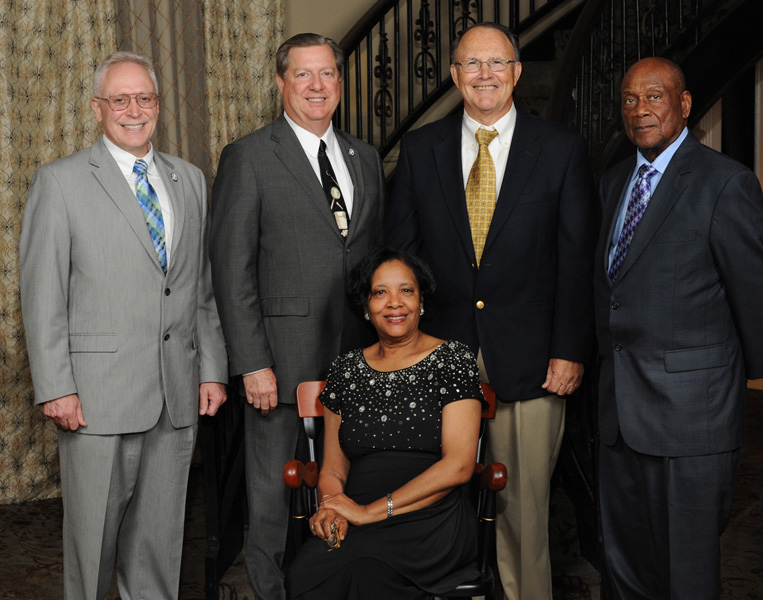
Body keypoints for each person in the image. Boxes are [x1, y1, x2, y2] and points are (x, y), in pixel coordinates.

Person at [387, 22, 595, 600]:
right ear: (454, 75)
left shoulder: (559, 150)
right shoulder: (423, 149)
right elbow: (401, 260)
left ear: (517, 72)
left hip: (531, 359)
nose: (484, 75)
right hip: (438, 357)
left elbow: (575, 261)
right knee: (431, 501)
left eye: (497, 63)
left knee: (522, 508)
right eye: (472, 64)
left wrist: (569, 348)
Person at [19, 51, 228, 600]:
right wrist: (57, 386)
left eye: (145, 99)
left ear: (158, 105)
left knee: (159, 547)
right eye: (121, 99)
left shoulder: (189, 180)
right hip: (96, 398)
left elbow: (198, 285)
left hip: (175, 392)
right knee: (93, 546)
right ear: (97, 108)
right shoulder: (60, 182)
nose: (134, 110)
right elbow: (43, 294)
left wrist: (211, 370)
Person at [594, 57, 763, 599]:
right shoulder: (614, 183)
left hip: (692, 416)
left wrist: (731, 376)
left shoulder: (725, 183)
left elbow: (762, 288)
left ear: (683, 105)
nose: (640, 109)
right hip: (619, 411)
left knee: (687, 569)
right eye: (630, 99)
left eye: (654, 96)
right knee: (624, 563)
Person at [209, 33, 386, 599]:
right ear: (281, 82)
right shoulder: (249, 156)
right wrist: (252, 363)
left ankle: (332, 583)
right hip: (279, 362)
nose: (317, 86)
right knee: (270, 493)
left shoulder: (365, 157)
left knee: (350, 478)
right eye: (304, 75)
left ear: (340, 82)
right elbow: (231, 271)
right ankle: (269, 590)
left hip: (358, 356)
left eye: (328, 74)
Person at [286, 247, 486, 599]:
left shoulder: (453, 359)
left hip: (431, 518)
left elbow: (458, 466)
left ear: (422, 300)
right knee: (305, 573)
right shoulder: (345, 369)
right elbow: (332, 467)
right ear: (365, 306)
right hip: (356, 513)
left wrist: (369, 512)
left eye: (406, 290)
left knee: (366, 575)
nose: (395, 302)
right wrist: (333, 507)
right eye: (380, 292)